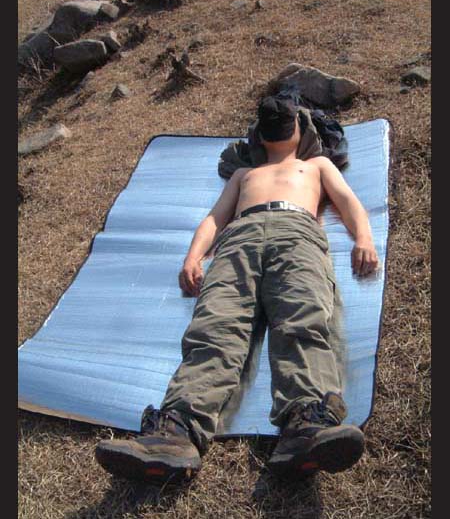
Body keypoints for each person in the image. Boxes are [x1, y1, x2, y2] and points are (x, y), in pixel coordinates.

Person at [95, 96, 379, 484]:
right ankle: (176, 430)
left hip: (297, 234)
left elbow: (347, 201)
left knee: (301, 319)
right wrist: (193, 257)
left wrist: (364, 238)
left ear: (301, 130)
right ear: (260, 136)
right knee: (215, 329)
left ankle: (307, 423)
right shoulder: (244, 174)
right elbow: (215, 218)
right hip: (237, 241)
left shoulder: (315, 165)